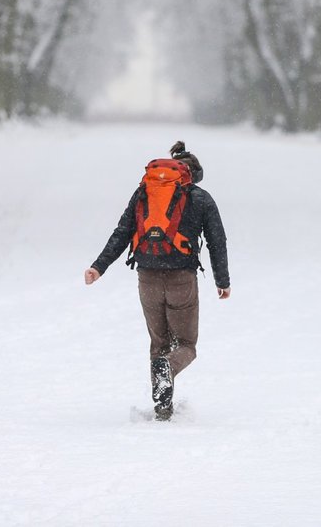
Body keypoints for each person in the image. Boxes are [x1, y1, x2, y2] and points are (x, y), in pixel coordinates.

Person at [84, 141, 230, 420]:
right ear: (193, 175)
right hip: (181, 280)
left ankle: (163, 409)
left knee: (158, 344)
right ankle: (168, 369)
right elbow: (216, 241)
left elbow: (122, 232)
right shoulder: (200, 198)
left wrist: (98, 267)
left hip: (147, 277)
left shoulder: (143, 193)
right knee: (186, 346)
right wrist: (222, 280)